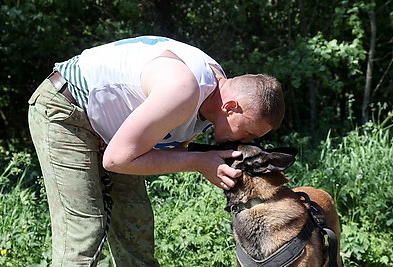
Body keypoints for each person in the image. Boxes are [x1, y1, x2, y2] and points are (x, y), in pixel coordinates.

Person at [28, 35, 285, 266]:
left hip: (112, 133)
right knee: (85, 230)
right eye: (249, 133)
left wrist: (203, 159)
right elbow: (117, 160)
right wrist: (199, 162)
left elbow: (169, 146)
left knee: (135, 224)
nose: (246, 140)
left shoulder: (213, 98)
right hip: (67, 110)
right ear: (230, 107)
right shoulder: (183, 90)